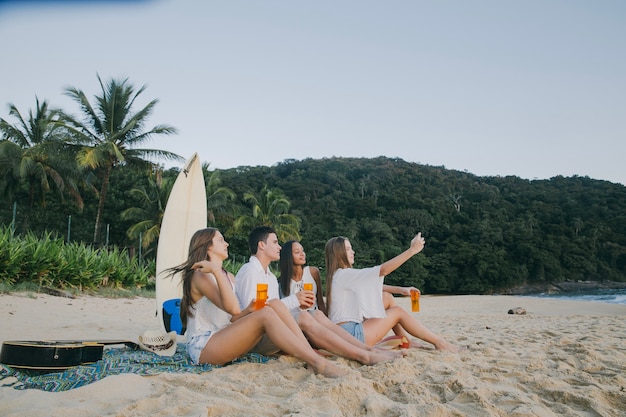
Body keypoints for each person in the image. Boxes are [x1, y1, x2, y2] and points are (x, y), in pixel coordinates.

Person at [165, 227, 347, 378]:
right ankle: (317, 363)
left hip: (225, 337)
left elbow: (234, 316)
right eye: (221, 240)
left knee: (272, 307)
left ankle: (310, 355)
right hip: (204, 346)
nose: (226, 243)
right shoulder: (200, 275)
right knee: (267, 313)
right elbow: (233, 307)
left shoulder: (228, 276)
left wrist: (249, 310)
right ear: (207, 246)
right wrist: (215, 270)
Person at [236, 227, 402, 366]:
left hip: (275, 330)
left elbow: (275, 307)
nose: (279, 246)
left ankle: (367, 350)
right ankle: (363, 355)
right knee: (304, 316)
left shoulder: (270, 277)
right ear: (261, 245)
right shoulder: (250, 272)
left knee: (316, 314)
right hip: (256, 338)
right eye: (275, 242)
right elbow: (255, 313)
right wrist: (295, 300)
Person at [325, 232, 461, 352]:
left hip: (345, 333)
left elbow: (372, 284)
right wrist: (412, 250)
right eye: (348, 249)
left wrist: (401, 290)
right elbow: (383, 270)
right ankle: (440, 343)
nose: (352, 252)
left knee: (387, 298)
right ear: (339, 253)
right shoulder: (344, 274)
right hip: (351, 336)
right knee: (398, 312)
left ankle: (407, 341)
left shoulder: (339, 275)